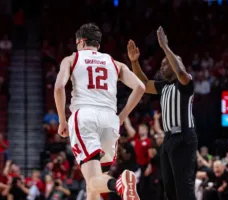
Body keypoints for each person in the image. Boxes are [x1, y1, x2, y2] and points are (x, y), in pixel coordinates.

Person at [54, 23, 145, 200]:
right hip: (110, 120)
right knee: (94, 183)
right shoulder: (115, 63)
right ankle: (118, 184)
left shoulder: (72, 59)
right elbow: (140, 87)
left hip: (85, 116)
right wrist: (121, 117)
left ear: (81, 42)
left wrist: (62, 121)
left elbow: (58, 87)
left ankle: (118, 184)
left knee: (94, 179)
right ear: (98, 44)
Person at [127, 26, 197, 200]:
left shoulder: (185, 82)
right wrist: (135, 62)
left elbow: (180, 71)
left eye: (166, 63)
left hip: (183, 137)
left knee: (183, 188)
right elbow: (143, 83)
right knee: (170, 189)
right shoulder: (163, 86)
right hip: (168, 139)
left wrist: (166, 47)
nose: (162, 65)